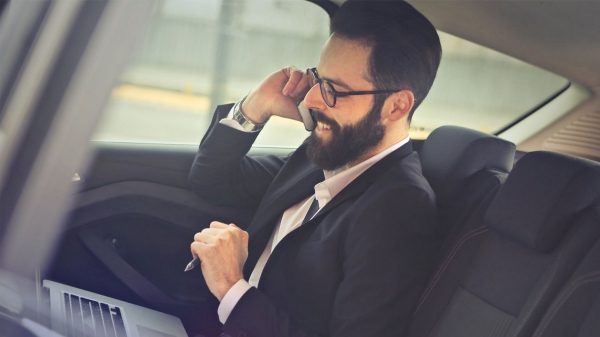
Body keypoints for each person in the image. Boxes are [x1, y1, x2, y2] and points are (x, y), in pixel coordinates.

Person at [188, 1, 442, 336]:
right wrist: (254, 107)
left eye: (334, 90)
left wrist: (231, 288)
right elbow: (211, 180)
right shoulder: (324, 154)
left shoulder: (399, 207)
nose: (310, 100)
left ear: (396, 106)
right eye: (319, 79)